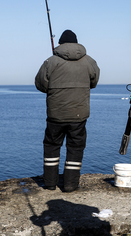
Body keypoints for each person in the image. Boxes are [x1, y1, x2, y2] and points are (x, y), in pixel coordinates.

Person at [35, 30, 100, 193]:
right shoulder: (90, 61)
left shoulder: (50, 61)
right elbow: (93, 82)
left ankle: (50, 183)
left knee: (51, 146)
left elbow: (40, 85)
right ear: (76, 44)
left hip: (55, 114)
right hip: (79, 114)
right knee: (76, 148)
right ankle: (70, 184)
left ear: (60, 44)